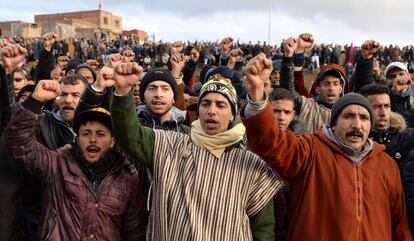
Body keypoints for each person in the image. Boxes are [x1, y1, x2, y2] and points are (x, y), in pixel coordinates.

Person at [241, 53, 412, 241]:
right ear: (333, 123)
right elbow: (270, 143)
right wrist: (257, 95)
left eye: (363, 118)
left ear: (370, 126)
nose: (357, 124)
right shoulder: (310, 150)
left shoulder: (386, 165)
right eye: (348, 116)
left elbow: (399, 224)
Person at [110, 62, 281, 241]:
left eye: (221, 105)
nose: (211, 111)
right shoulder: (170, 144)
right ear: (198, 111)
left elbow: (263, 230)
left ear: (233, 113)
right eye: (205, 104)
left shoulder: (250, 164)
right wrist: (122, 92)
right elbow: (130, 136)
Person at [5, 80, 147, 240]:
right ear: (78, 139)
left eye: (100, 134)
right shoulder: (56, 164)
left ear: (112, 141)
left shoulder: (127, 180)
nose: (93, 140)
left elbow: (135, 232)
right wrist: (35, 101)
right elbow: (19, 143)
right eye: (86, 133)